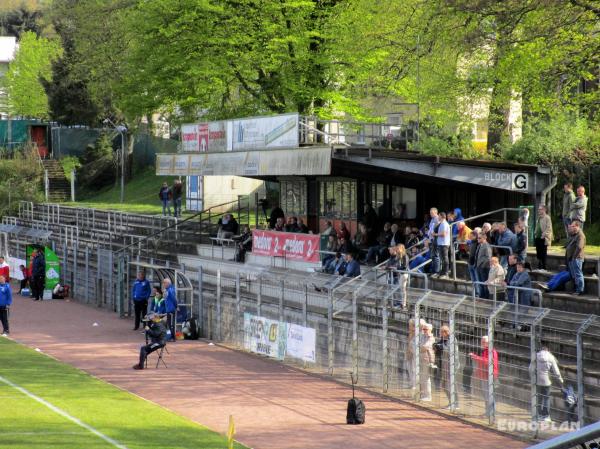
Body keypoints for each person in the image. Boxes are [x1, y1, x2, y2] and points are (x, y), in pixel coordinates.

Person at [529, 346, 563, 422]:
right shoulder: (551, 357)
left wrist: (532, 378)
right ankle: (546, 416)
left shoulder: (536, 356)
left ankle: (538, 415)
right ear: (548, 350)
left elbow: (530, 368)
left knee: (539, 397)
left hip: (537, 380)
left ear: (541, 349)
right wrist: (560, 380)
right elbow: (556, 371)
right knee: (546, 398)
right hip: (546, 381)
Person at [470, 336, 499, 416]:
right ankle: (488, 412)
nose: (481, 343)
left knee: (489, 395)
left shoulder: (491, 351)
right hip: (485, 375)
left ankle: (491, 413)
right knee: (486, 395)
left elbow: (487, 362)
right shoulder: (486, 350)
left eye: (483, 342)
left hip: (490, 376)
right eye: (481, 341)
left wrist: (475, 357)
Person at [434, 325, 460, 409]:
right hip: (444, 364)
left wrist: (439, 346)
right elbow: (440, 349)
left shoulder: (452, 339)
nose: (440, 333)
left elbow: (448, 349)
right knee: (445, 385)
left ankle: (455, 404)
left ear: (446, 332)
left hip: (451, 364)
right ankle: (451, 402)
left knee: (450, 384)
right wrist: (436, 346)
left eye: (442, 331)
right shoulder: (443, 339)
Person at [566, 220, 586, 296]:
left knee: (578, 274)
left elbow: (579, 247)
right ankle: (576, 289)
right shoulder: (574, 234)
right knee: (574, 275)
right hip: (572, 258)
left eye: (573, 226)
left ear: (578, 226)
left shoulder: (580, 235)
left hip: (577, 258)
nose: (572, 227)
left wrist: (574, 257)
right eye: (571, 226)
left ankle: (580, 290)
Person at [419, 322, 436, 401]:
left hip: (427, 360)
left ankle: (428, 396)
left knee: (426, 377)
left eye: (426, 329)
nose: (424, 330)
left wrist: (419, 347)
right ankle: (422, 394)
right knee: (421, 377)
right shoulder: (422, 336)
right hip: (421, 358)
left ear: (430, 330)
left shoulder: (431, 338)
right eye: (423, 329)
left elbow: (425, 347)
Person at [534, 205, 553, 270]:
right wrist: (535, 233)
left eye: (540, 209)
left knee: (543, 253)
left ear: (544, 210)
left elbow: (549, 228)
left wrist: (544, 235)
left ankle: (544, 267)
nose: (539, 210)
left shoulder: (547, 217)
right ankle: (540, 266)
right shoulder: (539, 218)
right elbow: (537, 227)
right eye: (539, 209)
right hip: (538, 237)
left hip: (543, 238)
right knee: (538, 253)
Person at [432, 212, 451, 278]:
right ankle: (442, 272)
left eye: (439, 216)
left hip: (444, 244)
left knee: (445, 259)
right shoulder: (441, 224)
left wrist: (435, 234)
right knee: (442, 259)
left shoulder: (445, 224)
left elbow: (444, 234)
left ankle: (445, 273)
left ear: (442, 216)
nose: (438, 217)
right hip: (441, 243)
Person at [476, 233, 492, 299]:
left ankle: (486, 297)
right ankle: (481, 296)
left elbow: (488, 258)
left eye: (479, 238)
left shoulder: (487, 246)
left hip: (484, 268)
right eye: (478, 238)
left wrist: (482, 265)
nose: (478, 239)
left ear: (484, 238)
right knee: (480, 283)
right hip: (479, 266)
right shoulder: (480, 245)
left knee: (484, 283)